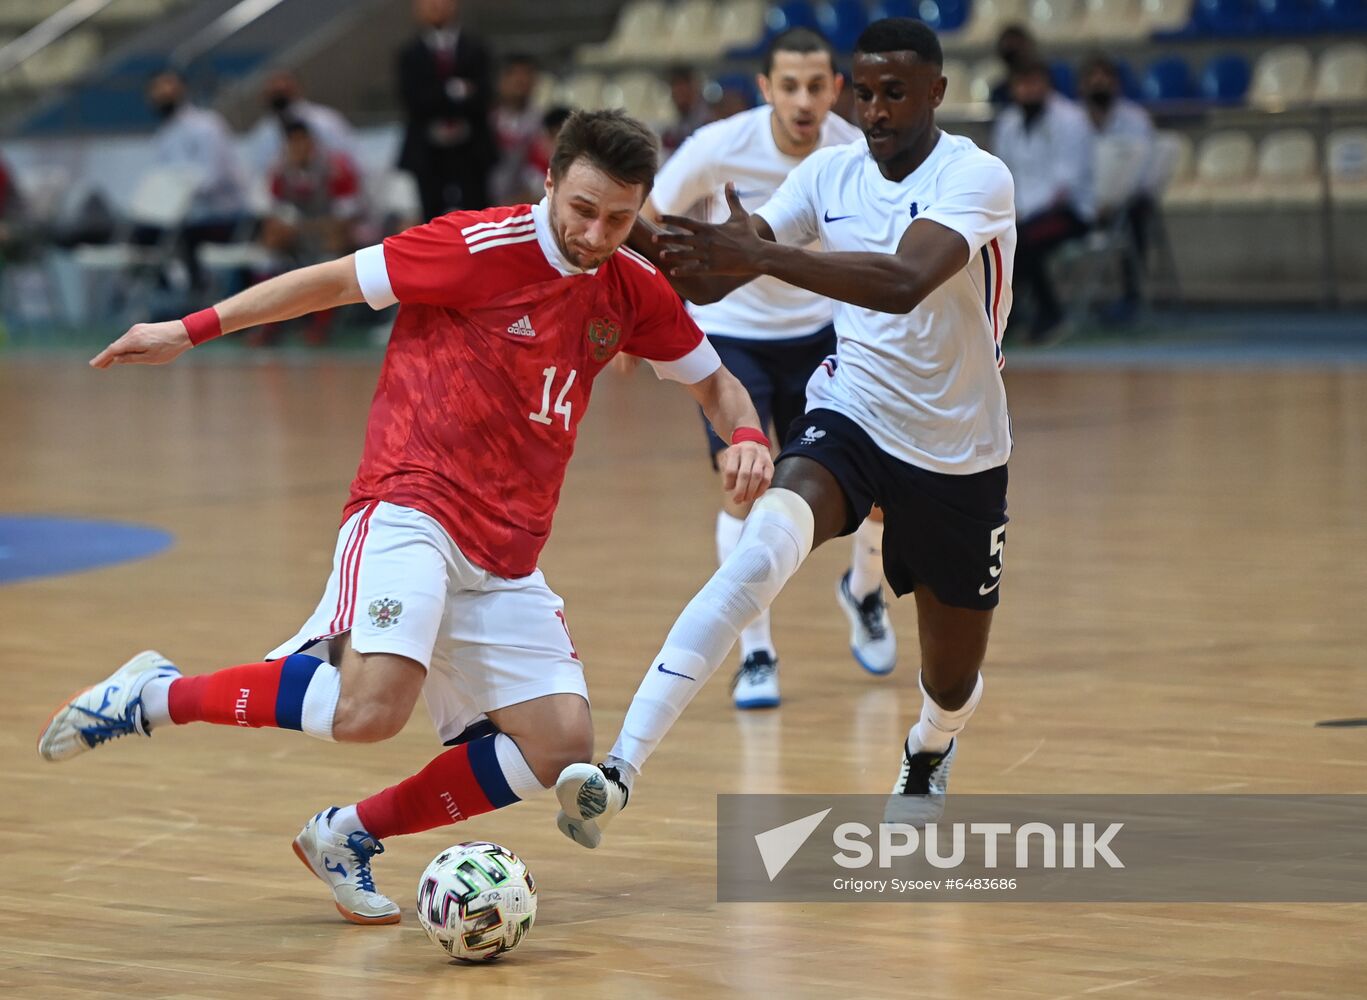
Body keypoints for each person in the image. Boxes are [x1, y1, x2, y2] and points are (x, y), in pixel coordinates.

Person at [37, 110, 774, 924]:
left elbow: (716, 382)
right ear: (550, 183)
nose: (596, 232)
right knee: (369, 711)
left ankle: (345, 835)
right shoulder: (476, 247)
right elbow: (330, 280)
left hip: (507, 556)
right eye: (582, 208)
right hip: (412, 504)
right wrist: (189, 328)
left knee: (558, 749)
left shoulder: (630, 287)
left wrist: (743, 432)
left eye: (618, 217)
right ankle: (152, 695)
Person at [554, 18, 1016, 849]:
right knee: (759, 550)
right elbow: (722, 266)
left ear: (936, 94)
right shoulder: (830, 174)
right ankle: (619, 770)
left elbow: (903, 280)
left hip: (960, 449)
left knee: (951, 680)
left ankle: (928, 748)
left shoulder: (975, 177)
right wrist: (628, 232)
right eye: (866, 93)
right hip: (852, 415)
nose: (875, 111)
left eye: (895, 94)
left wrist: (763, 259)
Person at [635, 27, 893, 711]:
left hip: (822, 333)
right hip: (732, 338)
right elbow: (648, 214)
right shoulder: (720, 147)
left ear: (835, 89)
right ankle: (755, 654)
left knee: (875, 494)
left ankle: (863, 591)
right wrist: (645, 308)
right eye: (789, 86)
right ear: (766, 90)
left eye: (816, 86)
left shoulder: (852, 148)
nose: (803, 99)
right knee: (744, 486)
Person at [992, 58, 1093, 341]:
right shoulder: (1009, 122)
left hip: (1068, 211)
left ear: (1047, 85)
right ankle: (1005, 313)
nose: (1027, 91)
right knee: (990, 238)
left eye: (1034, 84)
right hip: (1020, 210)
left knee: (1023, 240)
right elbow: (1002, 171)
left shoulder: (1071, 120)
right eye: (1021, 85)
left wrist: (1022, 214)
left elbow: (1065, 184)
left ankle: (1050, 314)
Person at [253, 120, 368, 346]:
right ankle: (268, 323)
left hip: (334, 234)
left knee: (331, 249)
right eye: (292, 143)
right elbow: (275, 214)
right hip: (300, 236)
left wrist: (309, 229)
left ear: (311, 142)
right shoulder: (280, 171)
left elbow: (345, 219)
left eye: (301, 141)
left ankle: (321, 325)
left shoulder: (336, 168)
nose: (297, 147)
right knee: (268, 250)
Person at [143, 69, 249, 292]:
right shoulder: (163, 136)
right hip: (186, 218)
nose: (162, 95)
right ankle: (167, 294)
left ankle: (196, 294)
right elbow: (162, 182)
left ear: (182, 90)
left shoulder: (206, 126)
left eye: (168, 89)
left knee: (179, 237)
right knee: (142, 235)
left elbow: (214, 177)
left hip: (224, 214)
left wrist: (180, 191)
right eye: (157, 91)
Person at [396, 0, 497, 219]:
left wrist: (440, 95)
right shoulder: (409, 54)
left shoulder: (476, 48)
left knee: (478, 214)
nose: (436, 6)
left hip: (472, 149)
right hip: (427, 151)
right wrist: (455, 91)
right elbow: (413, 99)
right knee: (431, 217)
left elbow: (484, 94)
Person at [1079, 53, 1158, 319]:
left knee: (1136, 212)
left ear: (1117, 84)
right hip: (1084, 201)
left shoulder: (1136, 120)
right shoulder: (1072, 122)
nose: (1099, 85)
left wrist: (1114, 201)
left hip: (1125, 201)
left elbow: (1142, 172)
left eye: (1105, 80)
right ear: (1082, 86)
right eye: (1093, 80)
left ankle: (1130, 295)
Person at [244, 70, 360, 176]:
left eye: (284, 91)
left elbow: (351, 159)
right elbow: (259, 173)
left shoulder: (325, 121)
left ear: (296, 90)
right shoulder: (262, 133)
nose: (280, 98)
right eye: (275, 93)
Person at [490, 53, 546, 205]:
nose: (520, 82)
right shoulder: (487, 121)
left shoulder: (542, 124)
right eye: (513, 75)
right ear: (501, 80)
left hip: (525, 204)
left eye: (527, 75)